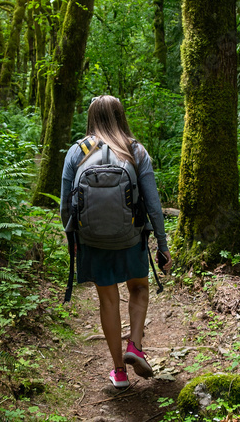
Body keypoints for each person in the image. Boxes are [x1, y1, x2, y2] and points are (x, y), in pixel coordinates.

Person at [60, 94, 172, 389]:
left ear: (91, 117)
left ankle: (119, 372)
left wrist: (72, 237)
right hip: (130, 237)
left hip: (92, 239)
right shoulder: (135, 150)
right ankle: (135, 345)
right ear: (121, 116)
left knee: (107, 299)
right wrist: (162, 244)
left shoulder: (76, 152)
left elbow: (65, 206)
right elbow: (153, 204)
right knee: (139, 288)